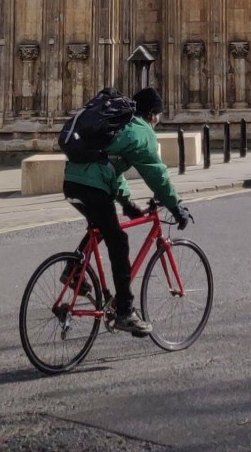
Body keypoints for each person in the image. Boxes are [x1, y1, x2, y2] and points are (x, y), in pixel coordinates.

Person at [62, 87, 191, 337]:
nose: (158, 120)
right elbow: (156, 173)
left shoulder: (120, 126)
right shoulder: (142, 131)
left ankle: (74, 268)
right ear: (152, 114)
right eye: (158, 115)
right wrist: (175, 207)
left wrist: (128, 204)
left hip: (72, 182)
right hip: (92, 186)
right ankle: (125, 311)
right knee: (119, 241)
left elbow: (111, 167)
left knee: (102, 226)